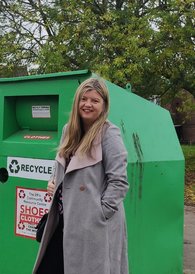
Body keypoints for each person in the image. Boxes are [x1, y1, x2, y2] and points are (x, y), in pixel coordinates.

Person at [33, 77, 129, 274]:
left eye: (95, 100)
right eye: (84, 99)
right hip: (64, 219)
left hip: (93, 224)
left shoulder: (109, 133)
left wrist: (100, 214)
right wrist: (54, 183)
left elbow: (119, 181)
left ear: (104, 105)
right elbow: (61, 166)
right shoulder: (69, 130)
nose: (88, 104)